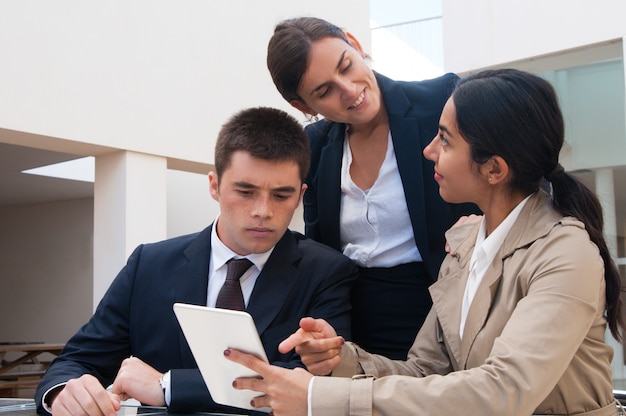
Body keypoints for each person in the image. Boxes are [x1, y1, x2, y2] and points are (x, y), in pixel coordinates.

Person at [225, 69, 625, 416]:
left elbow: (501, 393)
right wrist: (342, 360)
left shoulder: (566, 254)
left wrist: (321, 399)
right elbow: (425, 371)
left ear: (494, 169)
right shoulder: (465, 243)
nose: (428, 150)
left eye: (445, 140)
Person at [34, 107, 358, 416]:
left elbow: (312, 388)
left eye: (281, 195)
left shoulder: (327, 272)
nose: (263, 210)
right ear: (214, 186)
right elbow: (77, 360)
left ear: (301, 196)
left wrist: (167, 386)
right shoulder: (149, 264)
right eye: (245, 192)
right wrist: (64, 392)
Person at [266, 17, 480, 359]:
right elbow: (320, 250)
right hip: (355, 330)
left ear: (355, 43)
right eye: (324, 91)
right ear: (304, 107)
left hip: (452, 312)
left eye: (346, 66)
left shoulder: (442, 101)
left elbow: (517, 184)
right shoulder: (315, 147)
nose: (349, 90)